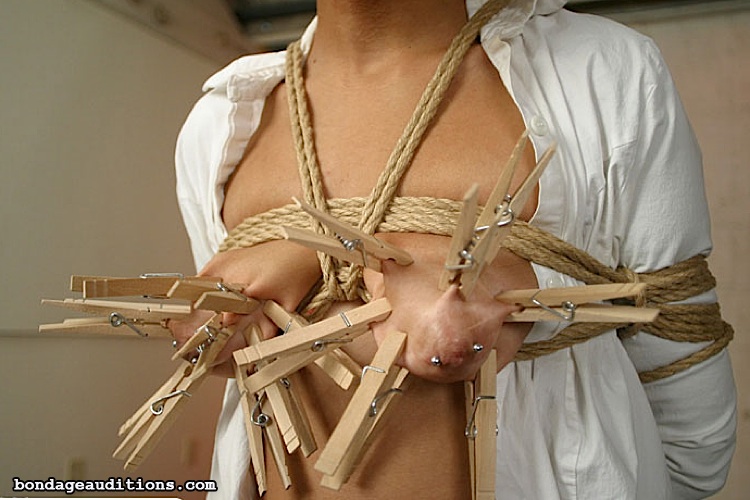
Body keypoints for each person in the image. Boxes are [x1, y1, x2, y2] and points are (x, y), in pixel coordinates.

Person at [171, 0, 737, 498]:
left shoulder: (603, 72)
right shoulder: (221, 122)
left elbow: (692, 435)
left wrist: (517, 293)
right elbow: (239, 357)